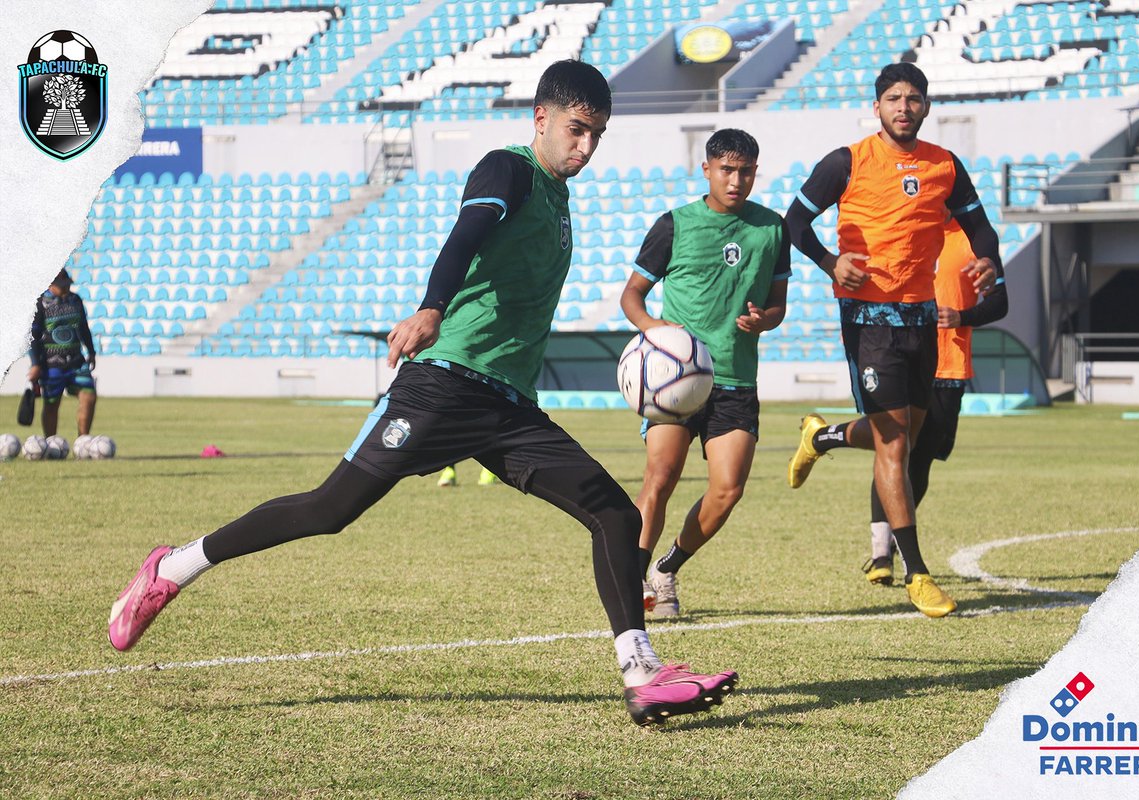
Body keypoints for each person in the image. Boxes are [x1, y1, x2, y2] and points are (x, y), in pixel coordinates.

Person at [106, 60, 737, 727]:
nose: (584, 148)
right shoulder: (508, 169)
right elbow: (465, 235)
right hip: (442, 385)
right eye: (576, 130)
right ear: (542, 118)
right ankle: (171, 568)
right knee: (330, 509)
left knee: (614, 513)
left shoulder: (560, 198)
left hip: (508, 408)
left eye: (597, 136)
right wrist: (432, 307)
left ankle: (641, 673)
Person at [784, 63, 1000, 618]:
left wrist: (988, 263)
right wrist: (833, 262)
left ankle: (822, 436)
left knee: (907, 432)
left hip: (922, 321)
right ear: (877, 107)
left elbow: (981, 228)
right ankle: (917, 571)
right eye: (892, 98)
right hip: (867, 319)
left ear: (925, 107)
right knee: (896, 446)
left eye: (913, 98)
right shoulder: (846, 161)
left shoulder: (945, 166)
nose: (903, 107)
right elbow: (793, 224)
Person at [621, 129, 789, 618]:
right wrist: (658, 331)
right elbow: (632, 296)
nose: (736, 181)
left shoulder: (773, 229)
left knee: (728, 489)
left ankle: (667, 568)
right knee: (660, 476)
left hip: (735, 378)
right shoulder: (674, 225)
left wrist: (765, 320)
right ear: (707, 170)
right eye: (727, 170)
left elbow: (778, 306)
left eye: (747, 172)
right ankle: (634, 584)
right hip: (676, 383)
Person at [799, 218, 1008, 586]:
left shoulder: (975, 240)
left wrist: (962, 316)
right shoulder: (908, 229)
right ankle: (882, 553)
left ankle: (822, 437)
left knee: (921, 458)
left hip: (950, 367)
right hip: (903, 355)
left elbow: (1000, 303)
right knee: (892, 447)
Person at [27, 269, 97, 438]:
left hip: (76, 360)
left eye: (67, 285)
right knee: (52, 403)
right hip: (51, 363)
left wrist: (91, 351)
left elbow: (83, 328)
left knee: (89, 395)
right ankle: (51, 443)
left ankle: (83, 442)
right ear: (50, 284)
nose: (66, 288)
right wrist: (35, 364)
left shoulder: (75, 300)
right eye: (62, 286)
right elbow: (32, 337)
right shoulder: (40, 303)